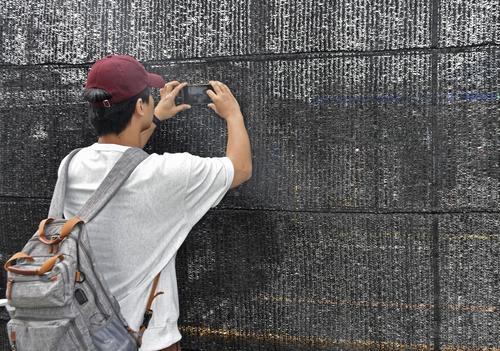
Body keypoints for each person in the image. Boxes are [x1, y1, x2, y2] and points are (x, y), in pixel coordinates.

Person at [57, 54, 252, 351]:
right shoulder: (165, 174)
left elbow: (122, 163)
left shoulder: (70, 165)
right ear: (138, 107)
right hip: (144, 339)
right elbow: (239, 169)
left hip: (83, 334)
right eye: (147, 97)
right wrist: (234, 115)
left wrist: (155, 117)